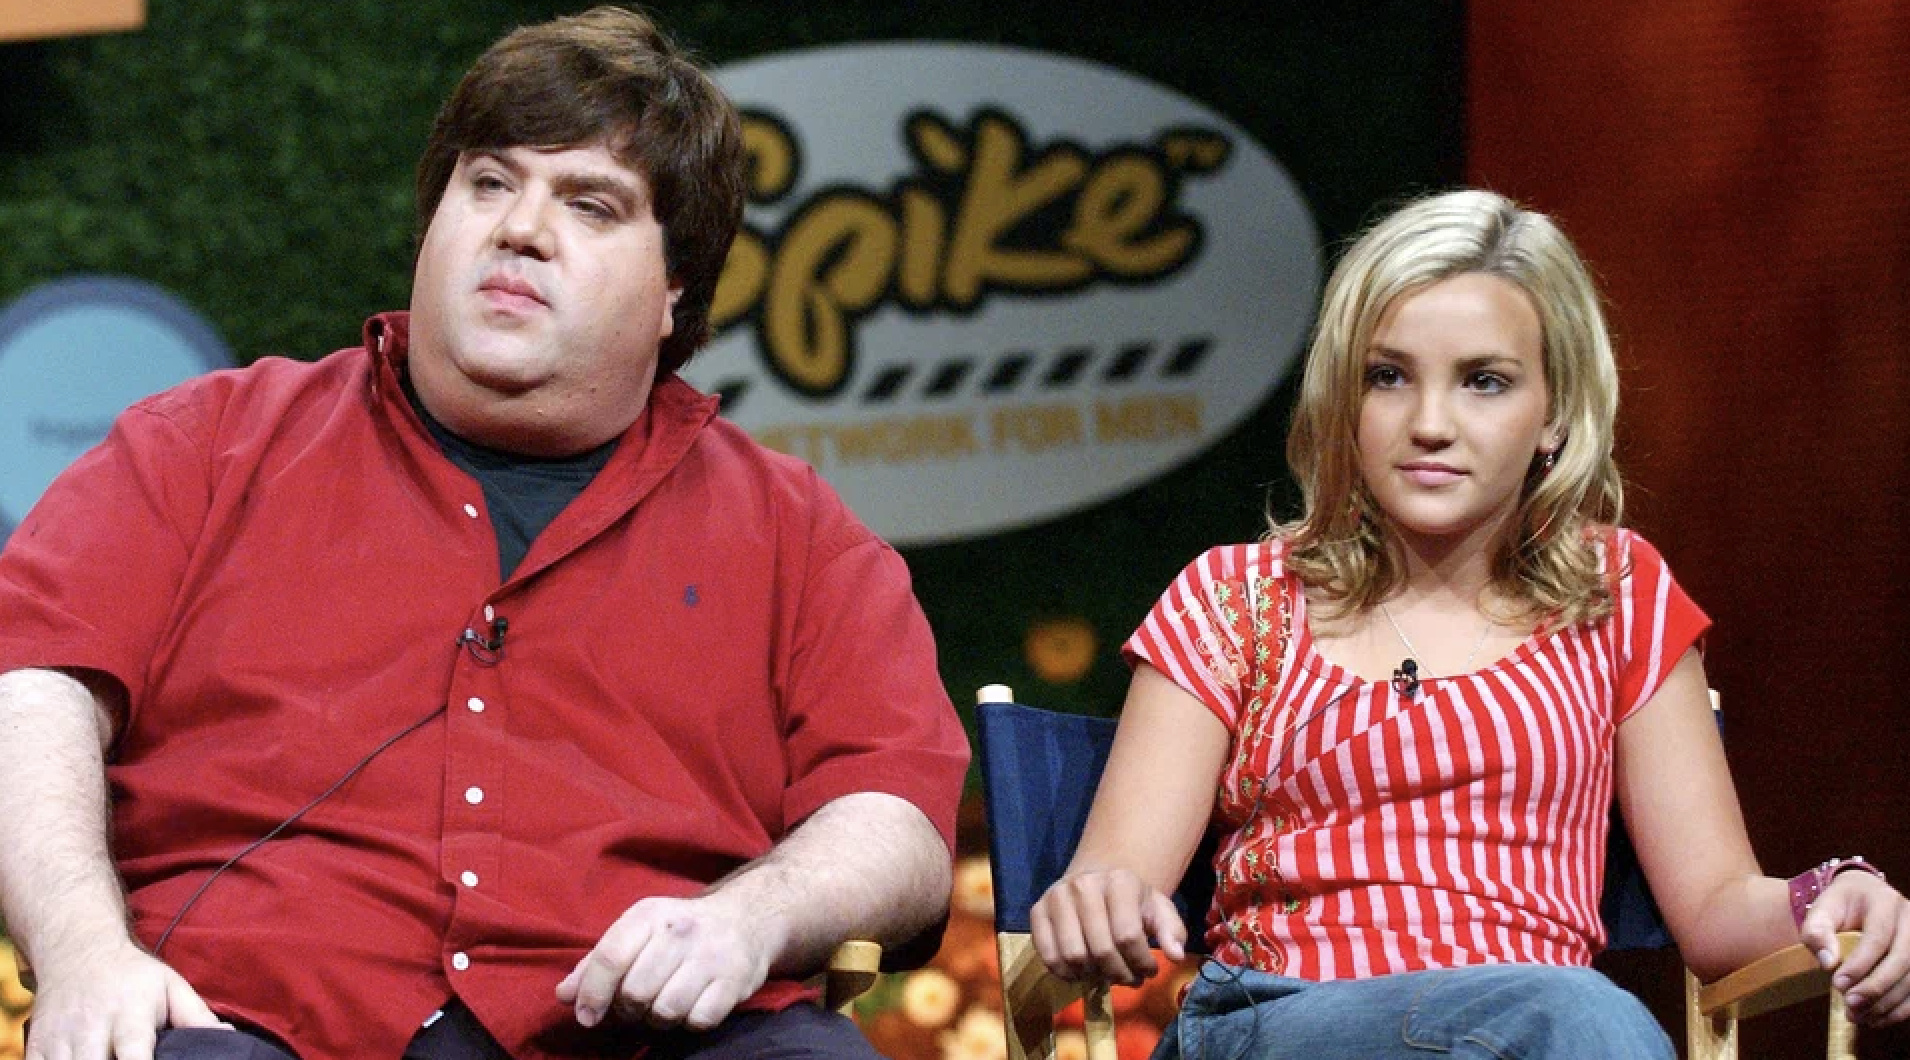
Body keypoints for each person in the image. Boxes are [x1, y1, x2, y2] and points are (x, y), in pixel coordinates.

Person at [0, 8, 969, 1060]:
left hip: (652, 1036)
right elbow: (28, 692)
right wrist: (85, 950)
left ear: (673, 291)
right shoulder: (200, 447)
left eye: (589, 204)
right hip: (248, 1024)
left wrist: (749, 918)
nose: (521, 228)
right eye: (490, 183)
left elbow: (898, 819)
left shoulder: (797, 533)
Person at [1028, 189, 1910, 1057]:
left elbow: (1716, 908)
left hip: (1534, 1028)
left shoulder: (1617, 595)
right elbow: (1117, 876)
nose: (1430, 424)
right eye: (1388, 377)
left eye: (1484, 382)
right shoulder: (1238, 597)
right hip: (1279, 1018)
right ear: (1344, 400)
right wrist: (1098, 902)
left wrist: (1834, 898)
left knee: (1559, 1015)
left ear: (1555, 415)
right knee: (1571, 1015)